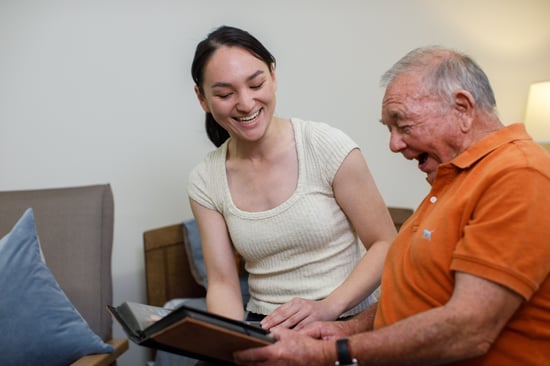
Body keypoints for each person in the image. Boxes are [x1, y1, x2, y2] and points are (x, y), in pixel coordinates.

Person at [233, 46, 550, 365]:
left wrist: (329, 353)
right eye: (389, 129)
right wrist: (348, 329)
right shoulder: (454, 178)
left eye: (403, 125)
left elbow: (470, 328)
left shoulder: (520, 175)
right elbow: (415, 294)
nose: (394, 144)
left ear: (463, 108)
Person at [187, 24, 396, 331]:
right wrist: (231, 342)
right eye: (225, 94)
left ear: (273, 76)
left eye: (256, 85)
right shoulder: (205, 180)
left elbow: (386, 242)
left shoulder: (325, 145)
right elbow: (222, 283)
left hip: (348, 317)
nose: (245, 103)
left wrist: (328, 307)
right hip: (270, 327)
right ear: (202, 99)